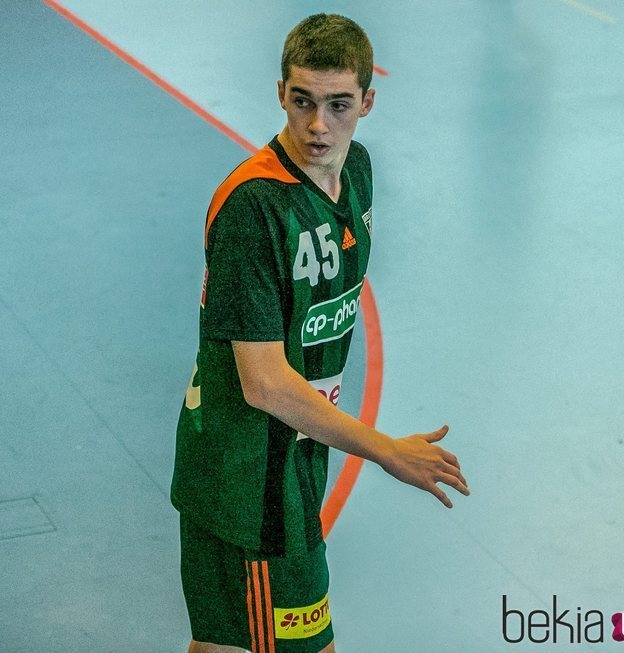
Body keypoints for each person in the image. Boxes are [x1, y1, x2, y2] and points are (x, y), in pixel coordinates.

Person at [170, 13, 470, 653]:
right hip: (248, 482)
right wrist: (385, 449)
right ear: (280, 93)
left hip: (295, 460)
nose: (317, 126)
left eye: (339, 105)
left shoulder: (355, 172)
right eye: (303, 102)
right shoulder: (253, 208)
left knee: (226, 644)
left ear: (367, 101)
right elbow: (266, 385)